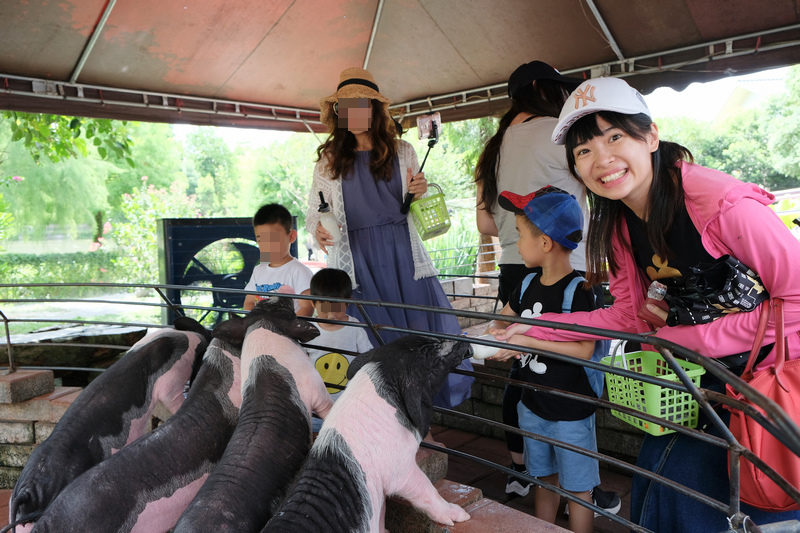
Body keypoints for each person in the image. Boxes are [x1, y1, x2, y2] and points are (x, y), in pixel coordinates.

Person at [498, 76, 800, 531]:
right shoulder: (620, 224)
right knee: (663, 485)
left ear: (651, 136)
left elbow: (796, 300)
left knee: (758, 499)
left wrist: (682, 338)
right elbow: (622, 315)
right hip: (702, 390)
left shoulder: (720, 203)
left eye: (615, 136)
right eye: (583, 151)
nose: (602, 159)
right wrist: (529, 328)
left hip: (771, 388)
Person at [474, 61, 618, 512]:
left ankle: (524, 471)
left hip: (516, 266)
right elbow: (602, 184)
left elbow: (483, 220)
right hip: (563, 263)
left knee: (522, 365)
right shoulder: (559, 131)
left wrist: (518, 234)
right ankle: (579, 483)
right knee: (568, 360)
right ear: (543, 90)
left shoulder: (493, 148)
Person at [306, 67, 473, 409]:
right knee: (372, 344)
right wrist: (318, 230)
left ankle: (421, 424)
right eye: (344, 107)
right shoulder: (328, 160)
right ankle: (377, 422)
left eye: (359, 105)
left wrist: (421, 191)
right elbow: (314, 213)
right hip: (357, 263)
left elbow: (419, 208)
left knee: (416, 341)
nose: (351, 114)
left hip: (402, 259)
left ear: (374, 109)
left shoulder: (403, 151)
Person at [485, 186, 601, 533]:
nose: (517, 244)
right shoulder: (525, 284)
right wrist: (497, 334)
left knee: (579, 489)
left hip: (570, 412)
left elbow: (584, 350)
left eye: (520, 235)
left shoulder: (581, 291)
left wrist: (525, 337)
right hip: (532, 405)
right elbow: (501, 320)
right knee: (544, 480)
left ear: (546, 243)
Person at [305, 268, 373, 432]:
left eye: (336, 308)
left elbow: (368, 359)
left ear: (348, 302)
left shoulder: (355, 327)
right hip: (315, 405)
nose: (331, 316)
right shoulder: (306, 330)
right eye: (324, 308)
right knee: (312, 433)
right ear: (313, 303)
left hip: (347, 403)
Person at [243, 203, 313, 316]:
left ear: (291, 236)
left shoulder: (299, 271)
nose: (267, 245)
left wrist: (285, 328)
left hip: (286, 332)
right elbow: (249, 302)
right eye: (261, 240)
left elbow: (307, 308)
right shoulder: (258, 270)